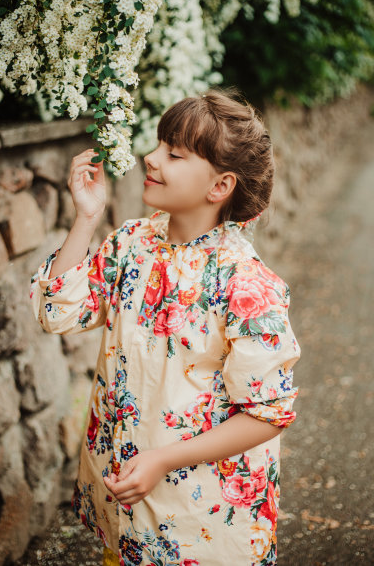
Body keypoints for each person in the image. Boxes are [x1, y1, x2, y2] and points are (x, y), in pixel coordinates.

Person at [29, 87, 301, 566]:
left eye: (173, 154)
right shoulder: (133, 242)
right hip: (127, 498)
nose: (150, 158)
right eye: (158, 144)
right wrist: (87, 218)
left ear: (220, 186)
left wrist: (162, 460)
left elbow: (266, 414)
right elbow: (59, 311)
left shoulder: (247, 285)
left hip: (201, 518)